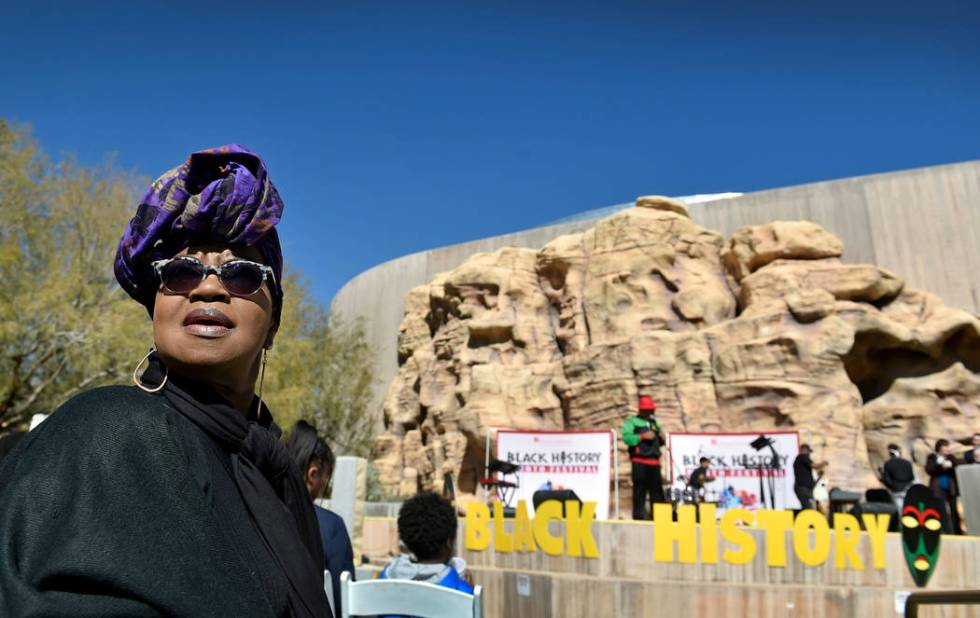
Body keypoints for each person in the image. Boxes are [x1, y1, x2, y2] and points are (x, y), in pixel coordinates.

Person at [0, 146, 331, 617]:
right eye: (180, 272)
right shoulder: (111, 433)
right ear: (155, 306)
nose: (209, 286)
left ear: (274, 319)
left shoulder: (276, 477)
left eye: (240, 273)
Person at [287, 420, 356, 616]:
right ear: (313, 474)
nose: (324, 486)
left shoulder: (260, 506)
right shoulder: (330, 526)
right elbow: (343, 598)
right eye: (326, 479)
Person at [380, 492, 474, 594]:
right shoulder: (461, 590)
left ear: (406, 541)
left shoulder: (386, 577)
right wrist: (470, 588)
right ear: (449, 542)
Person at [622, 395, 667, 520]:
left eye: (651, 410)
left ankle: (660, 520)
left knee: (657, 493)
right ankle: (638, 519)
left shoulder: (654, 423)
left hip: (654, 462)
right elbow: (627, 438)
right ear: (640, 410)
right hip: (639, 462)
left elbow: (660, 441)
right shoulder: (631, 422)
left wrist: (661, 437)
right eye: (647, 409)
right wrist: (642, 436)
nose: (649, 412)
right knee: (639, 493)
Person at [926, 439, 962, 534]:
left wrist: (952, 464)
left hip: (951, 489)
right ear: (939, 449)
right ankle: (944, 531)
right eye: (944, 448)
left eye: (947, 448)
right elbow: (929, 469)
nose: (946, 450)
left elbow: (960, 462)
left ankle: (956, 531)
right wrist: (941, 466)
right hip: (938, 489)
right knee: (941, 511)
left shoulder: (950, 457)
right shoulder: (933, 457)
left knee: (954, 511)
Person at [880, 443, 916, 510]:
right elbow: (912, 478)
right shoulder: (908, 463)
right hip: (907, 490)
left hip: (896, 491)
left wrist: (893, 486)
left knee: (899, 512)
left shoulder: (888, 464)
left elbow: (886, 479)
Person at [792, 444, 828, 510]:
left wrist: (819, 476)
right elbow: (815, 466)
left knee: (809, 507)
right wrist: (824, 463)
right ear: (804, 449)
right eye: (809, 451)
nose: (809, 454)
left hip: (804, 489)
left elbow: (812, 483)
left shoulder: (801, 461)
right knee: (808, 509)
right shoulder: (802, 457)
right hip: (803, 488)